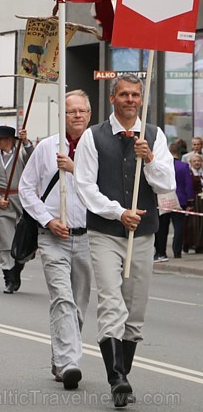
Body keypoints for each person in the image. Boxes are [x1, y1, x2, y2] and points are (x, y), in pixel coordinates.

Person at [75, 73, 175, 407]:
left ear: (141, 98)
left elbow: (166, 185)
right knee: (111, 302)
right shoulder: (93, 137)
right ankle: (116, 377)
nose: (130, 100)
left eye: (135, 95)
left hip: (143, 234)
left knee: (134, 310)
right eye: (124, 95)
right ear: (112, 98)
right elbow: (86, 187)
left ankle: (123, 377)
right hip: (105, 232)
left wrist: (149, 159)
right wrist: (118, 212)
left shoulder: (154, 135)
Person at [19, 89, 93, 390]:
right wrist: (48, 219)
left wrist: (77, 170)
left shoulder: (97, 147)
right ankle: (69, 363)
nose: (77, 115)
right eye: (71, 111)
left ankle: (61, 356)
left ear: (89, 114)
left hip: (88, 237)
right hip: (53, 238)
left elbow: (108, 190)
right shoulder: (46, 148)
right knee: (62, 298)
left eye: (82, 111)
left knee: (78, 304)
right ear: (62, 115)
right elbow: (26, 189)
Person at [0, 125, 33, 294]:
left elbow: (34, 158)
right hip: (2, 205)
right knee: (5, 244)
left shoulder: (20, 155)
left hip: (21, 203)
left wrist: (26, 142)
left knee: (24, 244)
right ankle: (9, 278)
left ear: (10, 140)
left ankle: (17, 269)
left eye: (0, 139)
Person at [154, 140, 194, 261]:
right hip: (180, 200)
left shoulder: (162, 166)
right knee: (179, 227)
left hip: (163, 200)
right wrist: (190, 201)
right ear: (179, 152)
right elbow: (188, 184)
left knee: (162, 228)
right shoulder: (183, 166)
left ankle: (161, 252)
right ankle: (177, 252)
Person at [183, 153, 203, 252]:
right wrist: (189, 203)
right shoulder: (190, 173)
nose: (197, 163)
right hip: (194, 201)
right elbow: (188, 187)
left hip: (201, 202)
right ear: (191, 163)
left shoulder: (201, 173)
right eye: (195, 161)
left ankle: (200, 245)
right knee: (192, 224)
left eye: (198, 161)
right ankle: (189, 244)